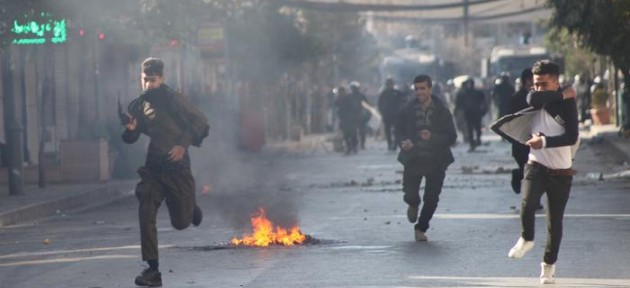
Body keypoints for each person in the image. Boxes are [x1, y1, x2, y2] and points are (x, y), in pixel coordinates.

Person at [122, 57, 209, 287]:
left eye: (152, 80)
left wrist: (183, 145)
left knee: (181, 222)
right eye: (145, 80)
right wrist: (131, 130)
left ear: (161, 79)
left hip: (177, 168)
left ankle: (190, 209)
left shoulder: (174, 99)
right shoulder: (140, 105)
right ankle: (152, 270)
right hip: (154, 169)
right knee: (146, 209)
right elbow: (132, 136)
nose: (148, 84)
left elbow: (200, 121)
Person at [491, 60, 578, 285]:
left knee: (554, 222)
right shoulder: (542, 97)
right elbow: (533, 99)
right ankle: (526, 238)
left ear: (556, 82)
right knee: (527, 204)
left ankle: (548, 266)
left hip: (561, 171)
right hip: (535, 165)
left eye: (544, 84)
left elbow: (571, 138)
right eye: (535, 83)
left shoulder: (568, 105)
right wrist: (561, 94)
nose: (538, 88)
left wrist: (544, 141)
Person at [396, 74, 456, 242]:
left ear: (430, 89)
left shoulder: (442, 111)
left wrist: (432, 137)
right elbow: (398, 131)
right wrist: (403, 143)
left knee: (431, 198)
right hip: (413, 159)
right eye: (417, 89)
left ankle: (421, 228)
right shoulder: (406, 110)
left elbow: (451, 137)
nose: (419, 92)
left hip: (436, 160)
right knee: (410, 195)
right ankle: (413, 204)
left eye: (423, 88)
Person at [455, 77, 486, 151]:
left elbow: (483, 102)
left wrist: (483, 110)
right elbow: (458, 103)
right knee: (471, 129)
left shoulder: (477, 93)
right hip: (469, 113)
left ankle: (477, 140)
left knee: (476, 128)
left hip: (475, 113)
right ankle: (472, 143)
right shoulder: (463, 93)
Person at [377, 77, 404, 151]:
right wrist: (382, 112)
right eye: (388, 84)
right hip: (387, 115)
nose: (390, 86)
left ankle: (395, 144)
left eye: (391, 84)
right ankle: (389, 143)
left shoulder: (397, 93)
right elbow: (379, 104)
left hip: (396, 115)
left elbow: (402, 101)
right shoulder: (383, 93)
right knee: (387, 130)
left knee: (396, 130)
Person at [334, 86, 362, 155]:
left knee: (353, 134)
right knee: (346, 135)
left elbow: (354, 107)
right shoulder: (339, 99)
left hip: (351, 119)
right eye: (339, 92)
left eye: (341, 92)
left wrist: (355, 116)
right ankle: (349, 148)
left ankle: (354, 146)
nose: (341, 93)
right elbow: (335, 104)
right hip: (343, 119)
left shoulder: (348, 98)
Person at [349, 81, 370, 149]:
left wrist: (367, 114)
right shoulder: (349, 96)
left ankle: (362, 143)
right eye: (353, 88)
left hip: (360, 114)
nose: (354, 89)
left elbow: (367, 105)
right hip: (352, 115)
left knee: (362, 131)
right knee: (353, 131)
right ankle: (355, 143)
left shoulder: (361, 96)